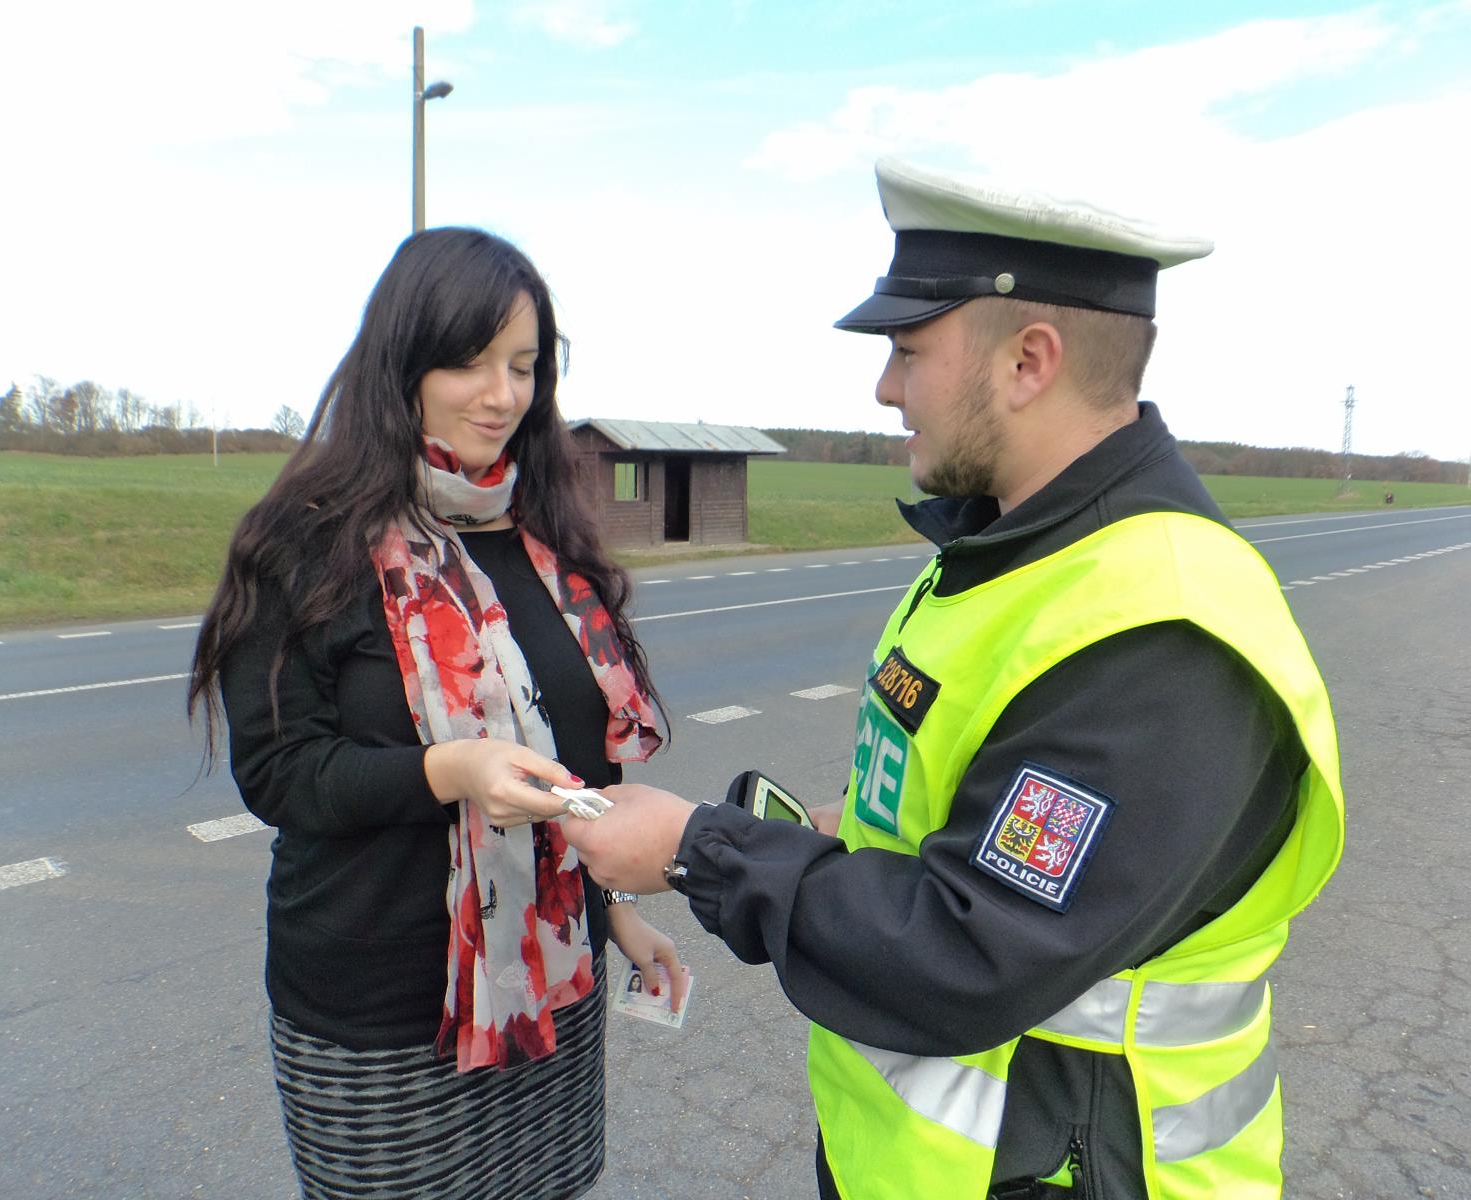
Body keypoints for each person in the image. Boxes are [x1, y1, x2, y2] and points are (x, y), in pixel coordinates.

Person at [563, 160, 1344, 1200]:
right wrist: (827, 825)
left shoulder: (1158, 629)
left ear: (1028, 361)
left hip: (1070, 1166)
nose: (884, 388)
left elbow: (969, 952)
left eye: (906, 350)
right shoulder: (1007, 553)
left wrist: (692, 847)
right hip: (935, 1160)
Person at [188, 227, 688, 1200]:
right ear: (403, 361)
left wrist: (614, 911)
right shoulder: (304, 543)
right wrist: (450, 771)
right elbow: (283, 774)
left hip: (547, 983)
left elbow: (583, 771)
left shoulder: (550, 544)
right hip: (376, 1010)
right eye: (468, 360)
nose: (502, 395)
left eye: (524, 365)